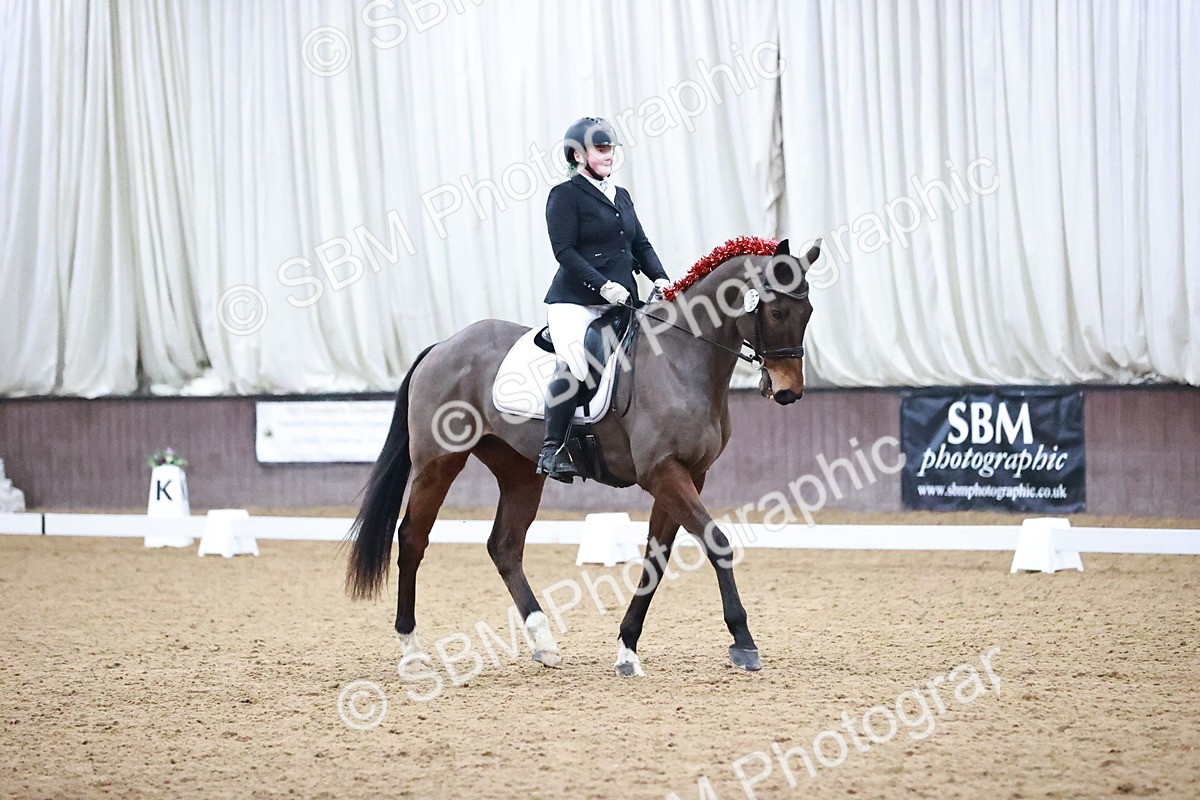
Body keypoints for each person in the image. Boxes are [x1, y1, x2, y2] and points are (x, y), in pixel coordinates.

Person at [535, 117, 672, 482]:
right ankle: (551, 449)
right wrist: (602, 285)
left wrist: (660, 276)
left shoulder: (621, 196)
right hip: (575, 302)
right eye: (600, 148)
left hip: (622, 302)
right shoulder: (564, 196)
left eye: (610, 147)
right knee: (577, 363)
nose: (608, 154)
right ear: (577, 155)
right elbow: (564, 251)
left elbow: (639, 244)